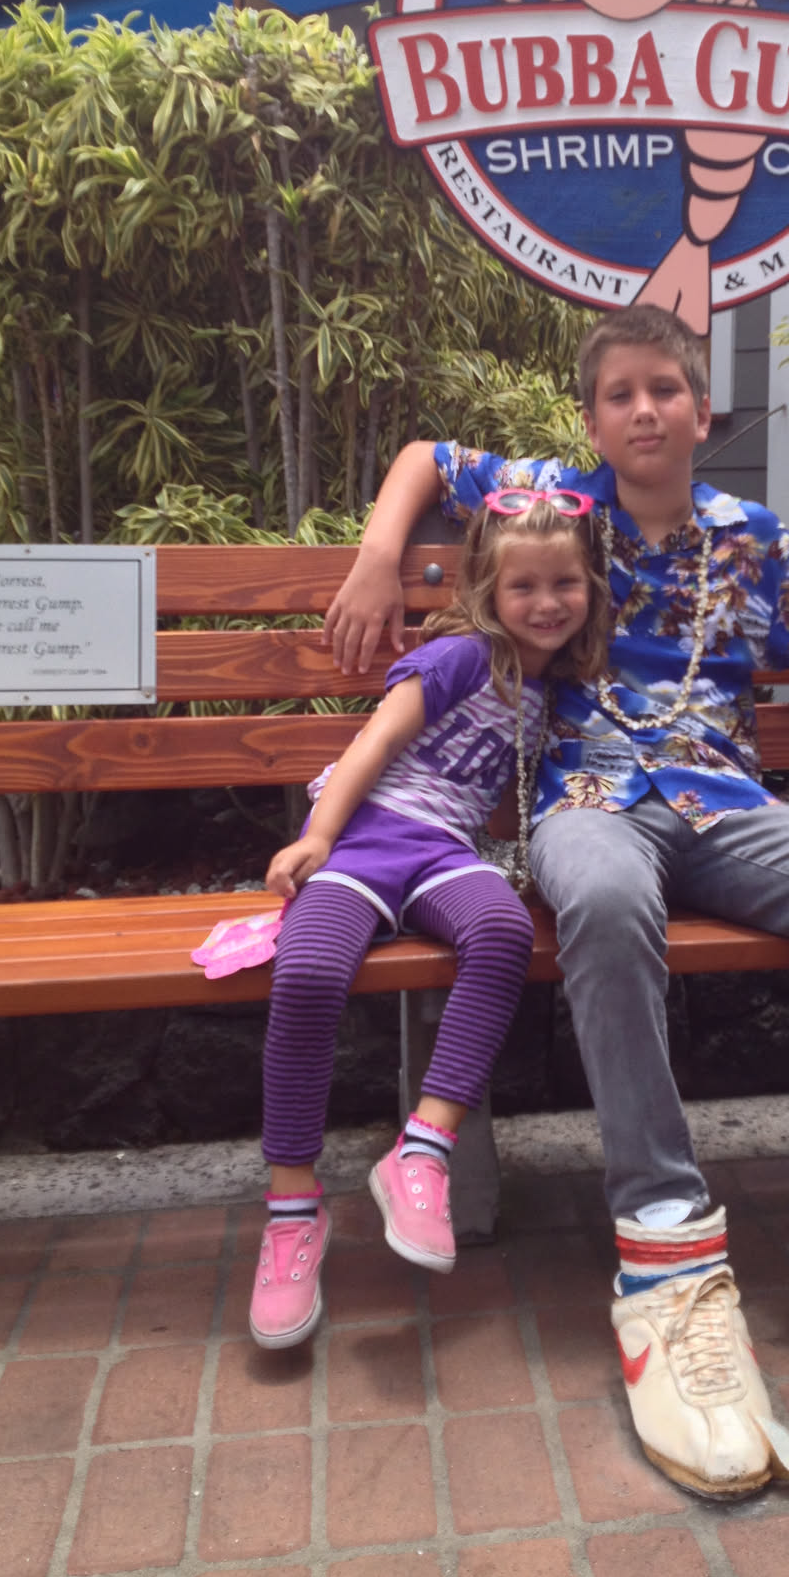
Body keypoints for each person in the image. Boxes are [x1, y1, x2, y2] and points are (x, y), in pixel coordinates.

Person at [323, 304, 789, 1497]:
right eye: (620, 395)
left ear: (704, 411)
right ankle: (661, 1233)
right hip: (589, 801)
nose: (644, 410)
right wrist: (377, 553)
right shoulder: (561, 507)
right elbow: (427, 459)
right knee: (601, 896)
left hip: (724, 805)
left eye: (665, 389)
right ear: (593, 419)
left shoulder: (753, 540)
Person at [249, 494, 612, 1351]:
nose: (547, 602)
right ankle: (292, 1211)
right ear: (489, 588)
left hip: (444, 853)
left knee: (503, 931)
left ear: (591, 588)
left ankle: (422, 1150)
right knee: (308, 970)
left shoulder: (553, 691)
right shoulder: (460, 656)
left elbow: (492, 806)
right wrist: (319, 837)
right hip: (365, 842)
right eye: (524, 586)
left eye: (565, 583)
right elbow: (375, 744)